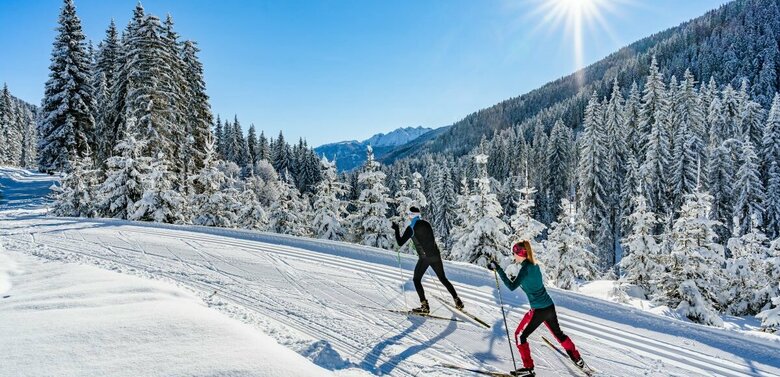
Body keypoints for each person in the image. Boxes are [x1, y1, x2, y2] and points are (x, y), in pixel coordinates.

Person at [487, 240, 584, 377]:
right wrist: (519, 279)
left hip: (538, 310)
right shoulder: (534, 265)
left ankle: (529, 368)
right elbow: (532, 283)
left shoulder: (525, 269)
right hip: (549, 307)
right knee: (559, 334)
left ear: (520, 254)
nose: (514, 256)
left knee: (520, 335)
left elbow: (511, 286)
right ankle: (577, 358)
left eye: (514, 253)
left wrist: (498, 269)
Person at [392, 206, 463, 314]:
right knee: (443, 278)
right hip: (436, 255)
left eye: (409, 214)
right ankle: (457, 300)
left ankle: (424, 306)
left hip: (425, 258)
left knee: (416, 280)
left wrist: (396, 229)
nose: (408, 217)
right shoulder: (426, 223)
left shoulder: (411, 227)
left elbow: (400, 242)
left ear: (411, 215)